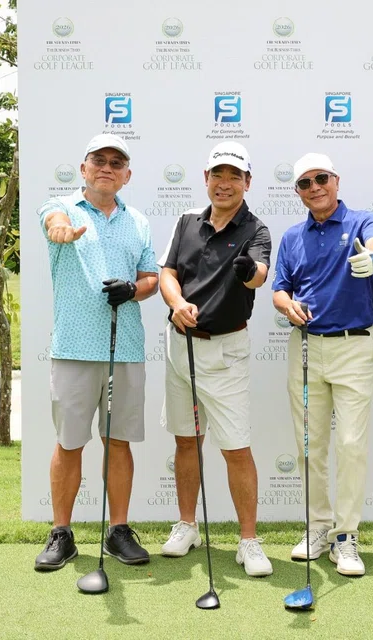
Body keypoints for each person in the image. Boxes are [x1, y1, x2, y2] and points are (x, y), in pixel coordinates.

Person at [34, 133, 159, 572]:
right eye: (98, 160)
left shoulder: (138, 222)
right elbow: (53, 223)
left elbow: (151, 278)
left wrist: (134, 289)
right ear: (84, 169)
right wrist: (61, 233)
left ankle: (118, 530)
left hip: (124, 348)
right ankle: (62, 533)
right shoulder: (61, 208)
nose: (106, 167)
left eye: (116, 162)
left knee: (118, 441)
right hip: (73, 347)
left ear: (126, 175)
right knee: (70, 442)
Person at [157, 141, 274, 577]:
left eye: (234, 176)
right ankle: (187, 525)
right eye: (217, 175)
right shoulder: (187, 222)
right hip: (179, 345)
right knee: (186, 440)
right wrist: (175, 303)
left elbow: (259, 275)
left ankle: (249, 540)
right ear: (206, 179)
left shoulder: (256, 229)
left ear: (247, 182)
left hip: (225, 350)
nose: (224, 184)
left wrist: (248, 271)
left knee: (235, 447)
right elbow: (168, 272)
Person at [271, 153, 373, 577]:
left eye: (321, 178)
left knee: (351, 444)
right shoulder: (291, 237)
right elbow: (279, 290)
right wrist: (287, 306)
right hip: (305, 347)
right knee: (308, 444)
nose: (314, 187)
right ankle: (317, 526)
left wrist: (372, 259)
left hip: (352, 347)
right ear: (297, 191)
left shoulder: (361, 221)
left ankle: (346, 536)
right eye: (305, 182)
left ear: (336, 180)